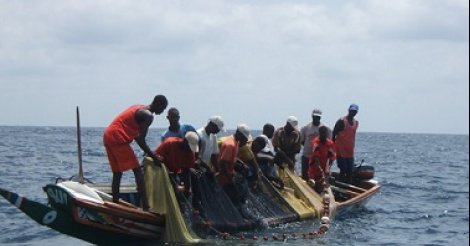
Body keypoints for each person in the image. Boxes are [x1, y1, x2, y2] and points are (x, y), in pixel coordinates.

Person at [103, 95, 168, 211]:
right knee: (137, 170)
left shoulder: (139, 107)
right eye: (162, 109)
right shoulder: (148, 116)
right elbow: (140, 140)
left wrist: (149, 153)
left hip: (108, 134)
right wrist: (154, 157)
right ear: (158, 104)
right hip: (118, 137)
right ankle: (146, 207)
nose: (162, 112)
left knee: (117, 173)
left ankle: (115, 203)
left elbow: (137, 137)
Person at [216, 124, 251, 208]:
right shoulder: (230, 144)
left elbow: (232, 157)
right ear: (238, 133)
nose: (245, 141)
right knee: (229, 201)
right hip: (224, 179)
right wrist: (230, 180)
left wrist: (242, 164)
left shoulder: (236, 142)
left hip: (230, 176)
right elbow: (222, 162)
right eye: (244, 138)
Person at [300, 109, 332, 181]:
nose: (316, 118)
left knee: (319, 177)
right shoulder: (305, 128)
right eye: (315, 117)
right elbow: (302, 141)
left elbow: (329, 143)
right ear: (312, 116)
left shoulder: (326, 128)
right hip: (307, 156)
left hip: (320, 158)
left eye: (318, 117)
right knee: (305, 176)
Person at [333, 103, 359, 184]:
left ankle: (348, 185)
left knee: (350, 171)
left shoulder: (356, 123)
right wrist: (332, 147)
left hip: (350, 152)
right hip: (340, 150)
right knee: (343, 169)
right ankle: (339, 186)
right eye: (351, 111)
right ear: (348, 111)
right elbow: (333, 133)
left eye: (354, 111)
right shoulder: (342, 121)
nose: (353, 113)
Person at [308, 126, 336, 194]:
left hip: (323, 166)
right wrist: (319, 168)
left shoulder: (330, 144)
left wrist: (328, 167)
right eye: (322, 133)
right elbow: (315, 156)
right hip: (314, 167)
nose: (323, 135)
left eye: (325, 133)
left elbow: (332, 156)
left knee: (323, 183)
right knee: (313, 183)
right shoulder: (316, 142)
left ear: (327, 134)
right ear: (319, 133)